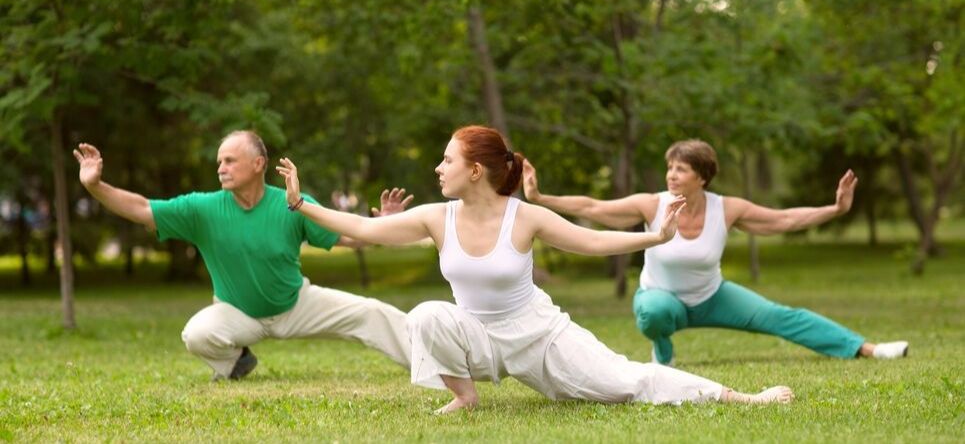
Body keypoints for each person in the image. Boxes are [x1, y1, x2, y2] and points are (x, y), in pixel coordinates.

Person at [276, 125, 793, 414]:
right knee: (426, 315)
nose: (438, 168)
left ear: (474, 170)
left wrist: (654, 236)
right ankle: (465, 397)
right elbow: (363, 230)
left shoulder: (524, 217)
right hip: (478, 335)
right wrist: (301, 204)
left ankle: (738, 396)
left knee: (624, 384)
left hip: (539, 336)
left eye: (446, 160)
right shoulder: (436, 218)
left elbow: (591, 240)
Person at [522, 138, 909, 366]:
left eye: (682, 169)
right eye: (670, 167)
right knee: (656, 313)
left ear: (702, 177)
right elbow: (593, 207)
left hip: (712, 296)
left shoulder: (727, 209)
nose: (672, 174)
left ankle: (867, 349)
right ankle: (663, 350)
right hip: (663, 299)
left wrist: (837, 210)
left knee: (783, 316)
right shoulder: (650, 204)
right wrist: (540, 197)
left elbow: (784, 220)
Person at [73, 130, 413, 380]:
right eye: (220, 161)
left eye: (230, 160)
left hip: (297, 304)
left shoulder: (292, 203)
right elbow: (143, 209)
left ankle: (430, 362)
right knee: (197, 334)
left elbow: (347, 236)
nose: (221, 167)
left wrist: (382, 225)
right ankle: (237, 362)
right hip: (237, 313)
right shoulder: (202, 209)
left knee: (371, 311)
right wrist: (95, 186)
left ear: (258, 163)